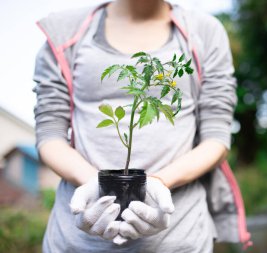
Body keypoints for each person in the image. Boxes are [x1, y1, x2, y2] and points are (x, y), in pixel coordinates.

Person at [33, 0, 249, 252]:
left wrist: (158, 184)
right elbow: (49, 133)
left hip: (180, 238)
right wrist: (95, 184)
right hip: (77, 241)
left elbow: (217, 137)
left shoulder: (204, 31)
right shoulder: (64, 32)